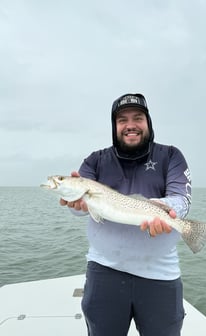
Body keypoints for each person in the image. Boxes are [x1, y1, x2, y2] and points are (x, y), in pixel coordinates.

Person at [60, 93, 192, 336]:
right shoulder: (95, 160)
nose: (130, 125)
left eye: (138, 118)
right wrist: (75, 204)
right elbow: (82, 211)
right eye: (122, 120)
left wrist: (160, 210)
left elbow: (181, 197)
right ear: (115, 126)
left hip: (160, 273)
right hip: (104, 270)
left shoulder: (171, 155)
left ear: (148, 123)